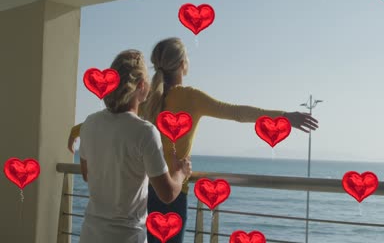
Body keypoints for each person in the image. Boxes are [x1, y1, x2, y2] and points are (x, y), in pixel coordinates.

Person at [69, 38, 319, 243]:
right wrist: (285, 117)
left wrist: (75, 131)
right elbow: (237, 113)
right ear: (182, 64)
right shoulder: (186, 98)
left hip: (142, 194)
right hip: (170, 194)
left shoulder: (143, 103)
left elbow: (112, 122)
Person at [77, 49, 192, 243]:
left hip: (91, 234)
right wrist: (181, 172)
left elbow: (87, 174)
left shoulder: (90, 123)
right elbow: (167, 194)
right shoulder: (144, 132)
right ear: (141, 86)